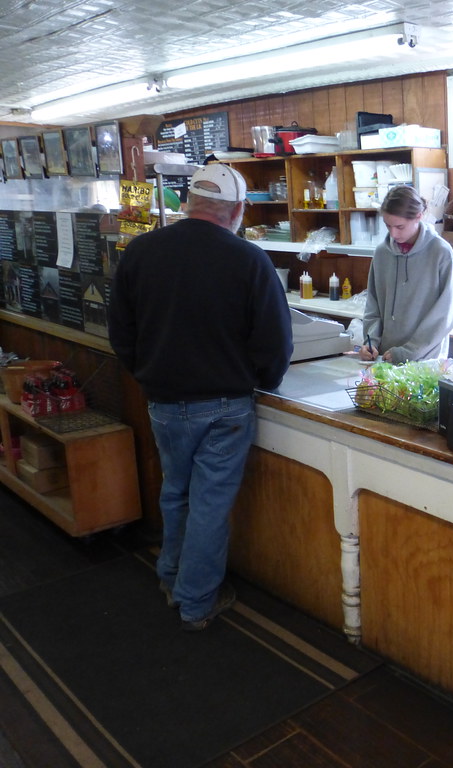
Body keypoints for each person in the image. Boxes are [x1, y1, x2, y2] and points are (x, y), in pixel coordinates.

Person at [108, 164, 293, 631]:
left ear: (188, 202)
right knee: (210, 503)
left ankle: (171, 576)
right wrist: (265, 379)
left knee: (176, 492)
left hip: (164, 402)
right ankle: (195, 602)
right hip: (225, 405)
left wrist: (149, 376)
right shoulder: (249, 260)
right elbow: (275, 344)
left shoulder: (139, 252)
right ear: (237, 210)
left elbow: (121, 334)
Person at [359, 185, 453, 363]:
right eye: (388, 226)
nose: (393, 233)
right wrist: (370, 341)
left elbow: (446, 315)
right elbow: (373, 305)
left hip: (426, 360)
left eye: (400, 226)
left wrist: (410, 351)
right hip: (385, 357)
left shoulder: (441, 252)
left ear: (418, 217)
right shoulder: (382, 253)